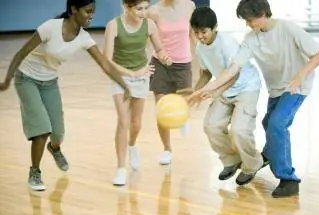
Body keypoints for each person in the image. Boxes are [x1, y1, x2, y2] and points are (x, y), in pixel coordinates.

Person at [188, 0, 319, 197]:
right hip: (276, 89)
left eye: (249, 19)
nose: (247, 23)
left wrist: (299, 76)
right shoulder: (251, 39)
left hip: (297, 87)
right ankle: (267, 154)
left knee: (277, 125)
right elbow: (233, 69)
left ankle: (288, 178)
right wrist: (203, 90)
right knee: (268, 123)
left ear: (263, 13)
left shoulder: (288, 29)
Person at [0, 0, 130, 191]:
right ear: (73, 10)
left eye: (93, 12)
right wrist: (7, 80)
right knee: (42, 129)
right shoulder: (49, 28)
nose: (92, 16)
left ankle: (55, 148)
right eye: (88, 11)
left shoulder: (84, 38)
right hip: (26, 78)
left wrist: (124, 84)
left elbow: (104, 63)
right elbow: (21, 53)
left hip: (50, 81)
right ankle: (34, 172)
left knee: (58, 132)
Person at [189, 6, 266, 185]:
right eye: (196, 32)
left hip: (246, 87)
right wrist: (195, 91)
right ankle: (232, 161)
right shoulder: (200, 47)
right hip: (224, 88)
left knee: (239, 131)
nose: (200, 36)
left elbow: (235, 74)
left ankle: (252, 164)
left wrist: (213, 91)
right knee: (211, 126)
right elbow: (206, 73)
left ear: (214, 27)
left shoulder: (227, 43)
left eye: (203, 32)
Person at [103, 0, 171, 186]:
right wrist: (132, 73)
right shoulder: (113, 26)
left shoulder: (149, 25)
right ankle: (121, 169)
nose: (143, 12)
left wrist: (164, 56)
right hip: (120, 77)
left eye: (146, 8)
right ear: (126, 7)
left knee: (136, 123)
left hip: (141, 76)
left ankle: (132, 145)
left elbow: (159, 48)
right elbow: (107, 61)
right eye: (139, 9)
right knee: (123, 121)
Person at [147, 0, 196, 165]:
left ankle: (183, 118)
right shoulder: (154, 11)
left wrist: (202, 55)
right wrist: (161, 54)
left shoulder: (189, 5)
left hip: (183, 63)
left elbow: (192, 33)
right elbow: (150, 37)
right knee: (161, 107)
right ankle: (167, 149)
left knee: (186, 101)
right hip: (161, 63)